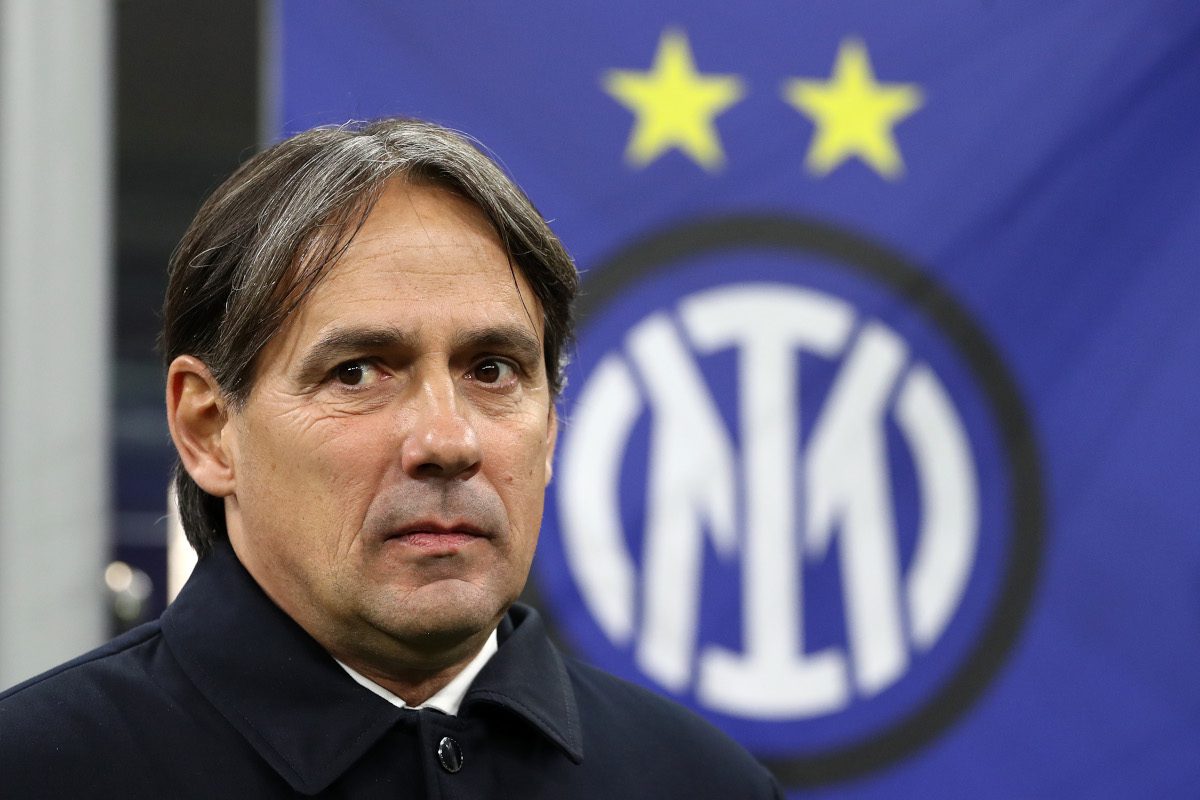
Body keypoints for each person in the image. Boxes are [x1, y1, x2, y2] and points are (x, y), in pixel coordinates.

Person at [0, 118, 783, 798]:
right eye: (358, 372)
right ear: (209, 430)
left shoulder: (705, 783)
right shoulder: (36, 771)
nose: (448, 442)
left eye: (492, 370)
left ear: (551, 425)